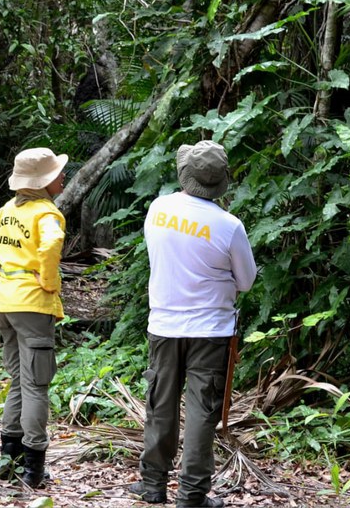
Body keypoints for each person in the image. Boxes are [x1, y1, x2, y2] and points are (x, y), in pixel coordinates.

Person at [128, 141, 257, 508]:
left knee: (160, 403)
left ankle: (153, 485)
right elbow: (245, 282)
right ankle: (192, 494)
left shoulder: (158, 209)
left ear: (185, 175)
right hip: (211, 331)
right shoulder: (229, 226)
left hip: (165, 325)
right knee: (202, 412)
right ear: (220, 183)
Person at [0, 147, 67, 488]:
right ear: (44, 181)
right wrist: (49, 281)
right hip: (32, 304)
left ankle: (9, 457)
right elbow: (51, 245)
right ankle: (33, 468)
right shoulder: (47, 213)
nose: (62, 177)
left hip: (4, 302)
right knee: (37, 384)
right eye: (57, 173)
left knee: (18, 379)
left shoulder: (8, 210)